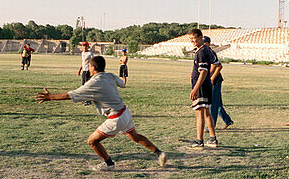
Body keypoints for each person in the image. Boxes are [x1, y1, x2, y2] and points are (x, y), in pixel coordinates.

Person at [36, 55, 168, 171]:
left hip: (115, 117)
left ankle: (109, 164)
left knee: (92, 141)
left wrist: (50, 97)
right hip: (125, 113)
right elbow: (122, 84)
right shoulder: (109, 75)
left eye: (89, 66)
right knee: (135, 137)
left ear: (93, 67)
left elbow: (71, 95)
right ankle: (159, 153)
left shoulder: (93, 82)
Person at [188, 29, 219, 147]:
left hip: (201, 86)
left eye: (194, 39)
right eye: (190, 39)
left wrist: (195, 88)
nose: (192, 41)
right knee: (206, 112)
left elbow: (203, 72)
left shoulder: (201, 52)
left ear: (200, 37)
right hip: (206, 85)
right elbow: (215, 64)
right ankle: (212, 138)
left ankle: (199, 140)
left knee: (199, 113)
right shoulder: (206, 50)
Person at [204, 36, 233, 129]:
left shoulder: (210, 52)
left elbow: (219, 66)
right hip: (213, 80)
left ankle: (210, 126)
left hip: (215, 81)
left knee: (213, 104)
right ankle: (228, 120)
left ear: (208, 43)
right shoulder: (205, 52)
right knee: (218, 104)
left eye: (205, 42)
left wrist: (212, 78)